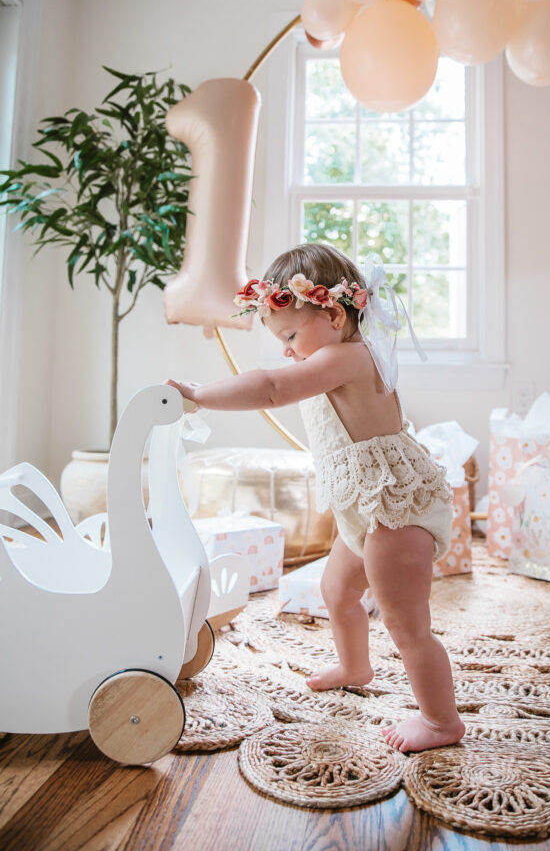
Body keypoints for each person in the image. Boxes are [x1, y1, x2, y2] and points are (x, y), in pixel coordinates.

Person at [167, 242, 465, 753]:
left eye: (289, 335)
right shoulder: (335, 352)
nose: (286, 349)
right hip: (367, 506)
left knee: (405, 621)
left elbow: (270, 389)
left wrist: (199, 395)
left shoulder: (346, 356)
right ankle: (355, 666)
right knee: (337, 591)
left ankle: (441, 721)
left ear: (330, 312)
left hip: (395, 508)